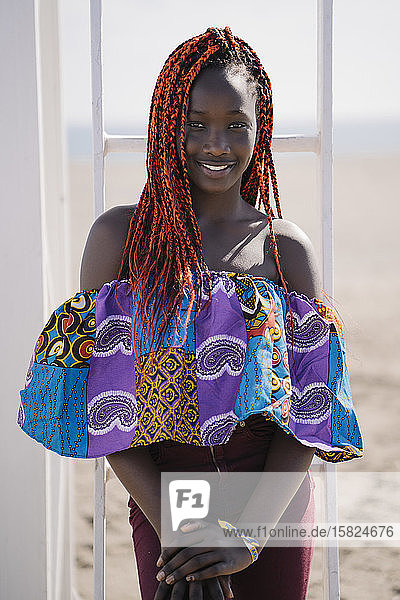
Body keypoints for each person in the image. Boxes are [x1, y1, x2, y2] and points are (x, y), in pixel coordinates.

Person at [17, 26, 363, 600]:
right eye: (195, 124)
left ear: (262, 128)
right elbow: (97, 398)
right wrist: (184, 527)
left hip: (270, 499)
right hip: (166, 492)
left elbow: (314, 411)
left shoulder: (285, 250)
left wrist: (247, 535)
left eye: (236, 124)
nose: (216, 143)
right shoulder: (120, 238)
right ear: (166, 129)